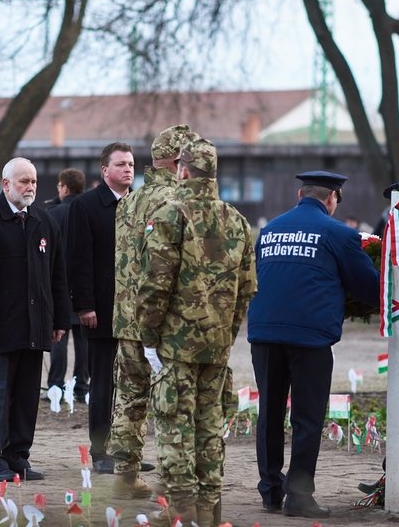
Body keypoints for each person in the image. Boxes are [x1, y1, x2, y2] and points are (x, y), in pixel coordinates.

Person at [135, 138, 257, 526]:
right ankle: (208, 510)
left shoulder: (171, 214)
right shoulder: (236, 220)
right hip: (216, 346)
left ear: (182, 170)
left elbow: (155, 285)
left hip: (175, 345)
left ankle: (181, 511)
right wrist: (226, 334)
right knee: (209, 430)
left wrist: (148, 337)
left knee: (174, 428)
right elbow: (246, 290)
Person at [247, 171, 379, 519]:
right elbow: (369, 288)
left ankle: (271, 492)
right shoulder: (339, 234)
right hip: (308, 338)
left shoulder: (270, 229)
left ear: (299, 194)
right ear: (333, 198)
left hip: (264, 334)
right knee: (307, 418)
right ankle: (299, 496)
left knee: (270, 414)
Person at [0, 157, 71, 482]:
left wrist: (60, 319)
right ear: (6, 184)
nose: (31, 187)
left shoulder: (44, 221)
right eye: (24, 181)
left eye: (34, 182)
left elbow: (58, 275)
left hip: (35, 326)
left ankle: (18, 456)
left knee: (26, 396)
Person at [108, 125, 199, 499]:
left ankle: (125, 475)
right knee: (171, 403)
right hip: (163, 323)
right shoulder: (179, 200)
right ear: (181, 162)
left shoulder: (130, 200)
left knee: (129, 398)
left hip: (127, 319)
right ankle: (173, 482)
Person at [66, 142, 135, 474]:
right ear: (104, 170)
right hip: (102, 309)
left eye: (131, 164)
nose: (128, 169)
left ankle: (126, 449)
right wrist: (85, 305)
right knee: (103, 382)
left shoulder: (138, 204)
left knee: (131, 384)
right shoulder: (87, 205)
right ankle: (100, 451)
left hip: (135, 312)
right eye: (120, 164)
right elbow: (78, 258)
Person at [45, 168, 89, 407]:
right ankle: (82, 385)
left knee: (58, 337)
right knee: (84, 342)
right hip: (84, 284)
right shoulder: (88, 210)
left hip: (59, 283)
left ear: (64, 187)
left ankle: (56, 384)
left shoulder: (54, 213)